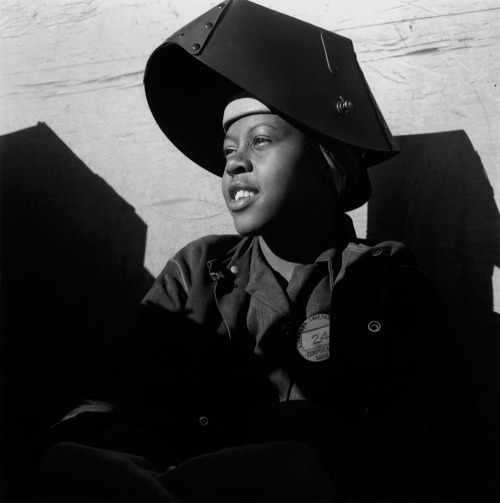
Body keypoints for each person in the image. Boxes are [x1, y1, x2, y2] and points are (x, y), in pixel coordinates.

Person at [32, 1, 480, 501]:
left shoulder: (385, 280)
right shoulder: (196, 271)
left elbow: (441, 437)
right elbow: (109, 393)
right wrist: (104, 444)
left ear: (327, 160)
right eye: (228, 150)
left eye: (261, 140)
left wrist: (317, 459)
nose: (235, 164)